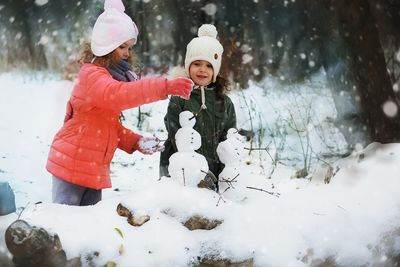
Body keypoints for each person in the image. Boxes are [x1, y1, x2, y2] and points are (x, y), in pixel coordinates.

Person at [46, 0, 193, 206]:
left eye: (130, 47)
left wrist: (135, 141)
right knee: (64, 224)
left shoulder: (108, 76)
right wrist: (165, 87)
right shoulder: (92, 75)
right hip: (71, 165)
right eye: (122, 46)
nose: (127, 53)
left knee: (86, 227)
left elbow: (108, 126)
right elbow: (117, 94)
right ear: (106, 46)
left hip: (93, 170)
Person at [160, 24, 237, 190]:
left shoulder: (224, 102)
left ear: (215, 70)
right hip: (181, 170)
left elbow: (229, 137)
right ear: (188, 66)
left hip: (214, 169)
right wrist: (197, 170)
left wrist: (225, 171)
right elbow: (175, 133)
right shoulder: (179, 97)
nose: (202, 70)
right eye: (197, 64)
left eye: (209, 66)